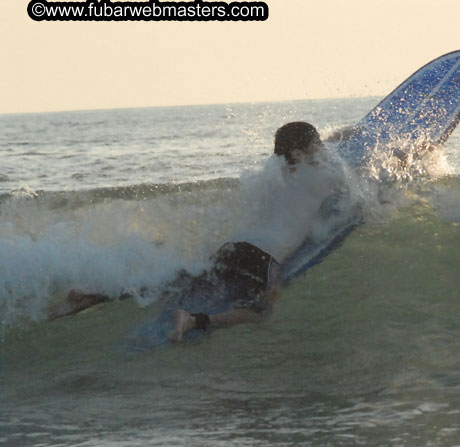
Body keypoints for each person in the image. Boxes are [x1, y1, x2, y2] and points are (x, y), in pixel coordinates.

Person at [51, 122, 348, 343]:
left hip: (235, 247)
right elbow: (355, 180)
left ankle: (92, 296)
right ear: (299, 151)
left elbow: (305, 161)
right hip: (264, 257)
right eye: (317, 143)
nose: (322, 147)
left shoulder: (274, 171)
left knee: (182, 280)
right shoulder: (320, 176)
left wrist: (332, 138)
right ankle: (192, 321)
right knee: (261, 311)